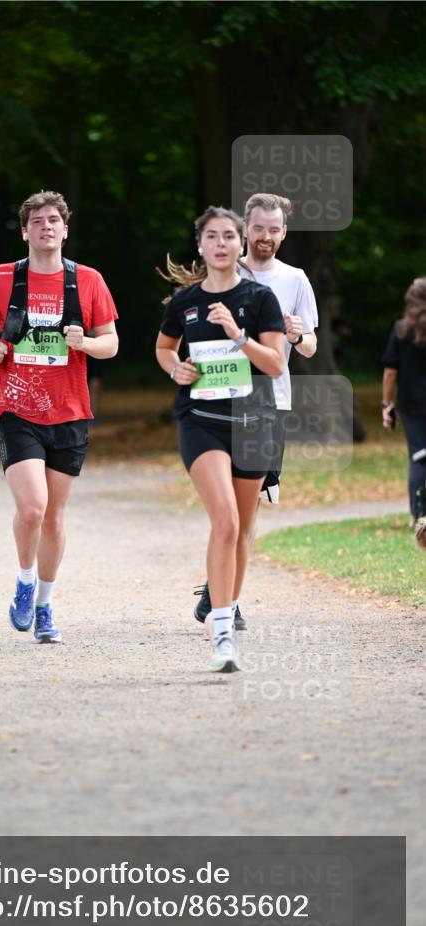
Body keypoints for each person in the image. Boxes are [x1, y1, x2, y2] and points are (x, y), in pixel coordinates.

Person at [0, 190, 119, 643]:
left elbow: (110, 343)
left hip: (70, 412)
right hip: (17, 407)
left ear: (66, 229)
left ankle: (45, 604)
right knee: (32, 509)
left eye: (54, 220)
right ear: (25, 231)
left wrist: (85, 344)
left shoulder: (88, 281)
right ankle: (22, 580)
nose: (46, 227)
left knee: (54, 518)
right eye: (37, 221)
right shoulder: (1, 278)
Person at [156, 206, 284, 672]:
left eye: (230, 235)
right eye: (213, 236)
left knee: (243, 531)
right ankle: (223, 630)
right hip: (201, 420)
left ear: (240, 243)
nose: (222, 244)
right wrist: (177, 368)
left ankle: (224, 610)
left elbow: (275, 364)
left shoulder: (259, 298)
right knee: (226, 522)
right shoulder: (184, 303)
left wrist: (237, 336)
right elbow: (163, 347)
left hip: (254, 423)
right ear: (201, 245)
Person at [193, 193, 318, 630]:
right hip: (217, 397)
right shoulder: (224, 265)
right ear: (246, 229)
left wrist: (298, 336)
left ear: (284, 233)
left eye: (274, 229)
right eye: (259, 228)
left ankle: (223, 594)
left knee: (249, 508)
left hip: (270, 401)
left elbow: (311, 344)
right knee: (222, 506)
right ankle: (222, 590)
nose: (265, 237)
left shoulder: (296, 279)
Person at [381, 276, 426, 527]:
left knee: (418, 457)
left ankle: (417, 514)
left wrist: (386, 404)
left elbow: (390, 371)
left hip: (411, 404)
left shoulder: (401, 329)